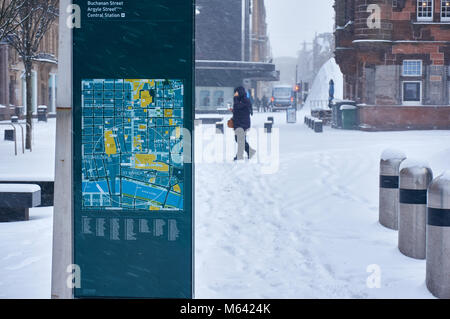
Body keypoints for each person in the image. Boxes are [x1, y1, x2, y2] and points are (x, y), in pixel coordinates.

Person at [232, 86, 256, 160]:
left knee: (239, 139)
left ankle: (241, 154)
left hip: (242, 123)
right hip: (239, 122)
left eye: (236, 93)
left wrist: (235, 100)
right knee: (240, 139)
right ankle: (249, 152)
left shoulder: (244, 100)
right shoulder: (240, 100)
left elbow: (238, 108)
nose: (235, 94)